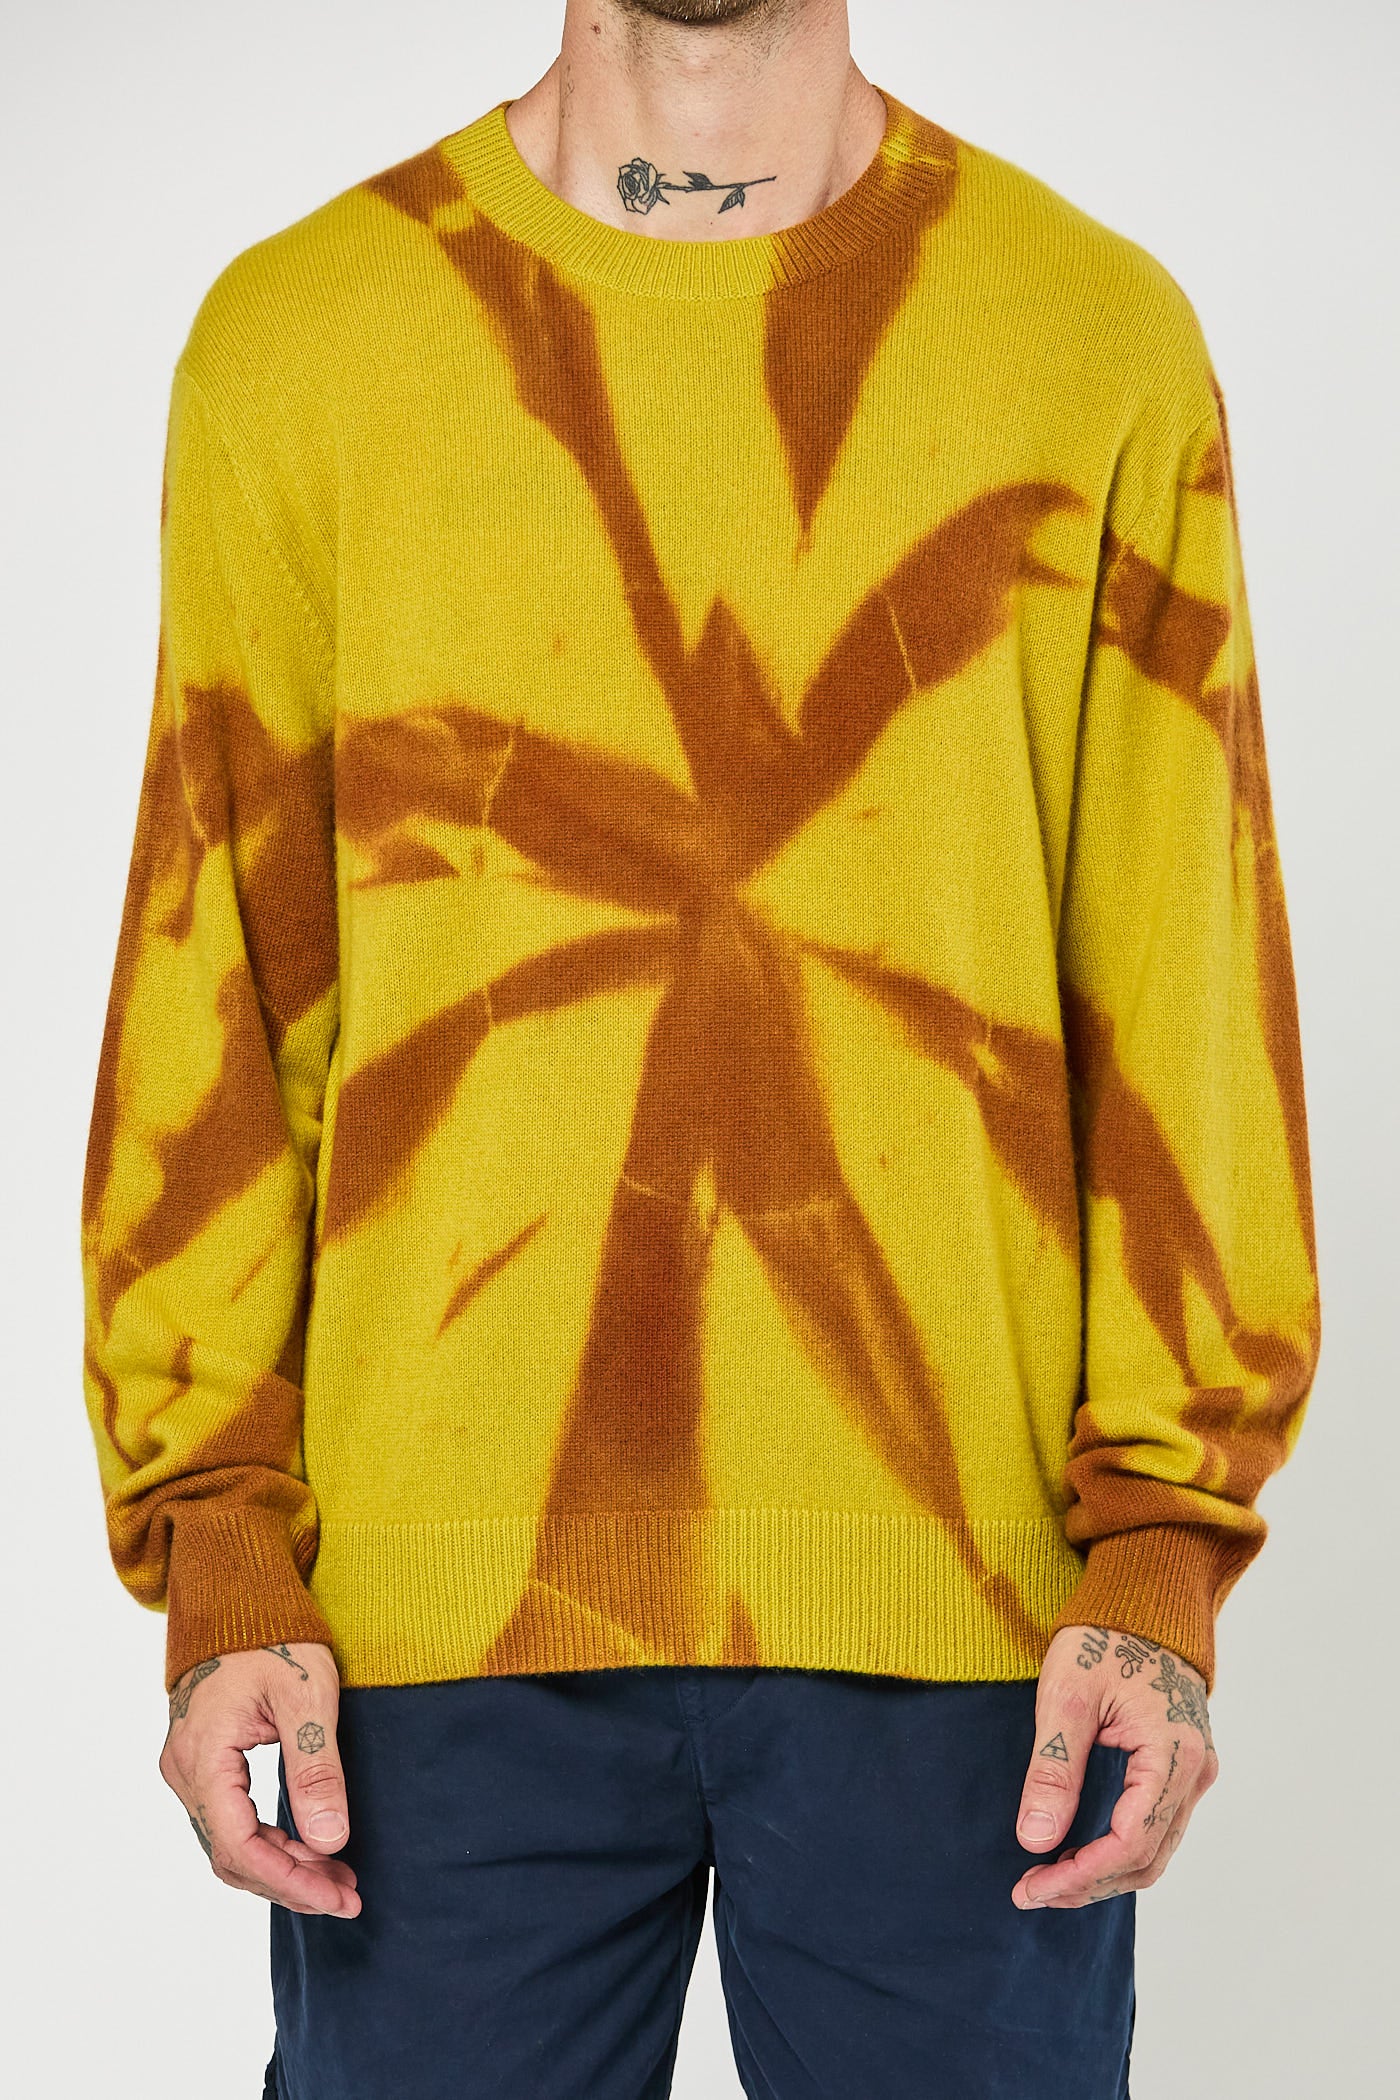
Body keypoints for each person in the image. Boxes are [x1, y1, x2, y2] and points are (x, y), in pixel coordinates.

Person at [79, 2, 1321, 2093]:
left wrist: (1159, 1551)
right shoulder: (301, 343)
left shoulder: (1090, 336)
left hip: (983, 1630)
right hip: (420, 1627)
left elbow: (1180, 984)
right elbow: (220, 980)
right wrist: (217, 1540)